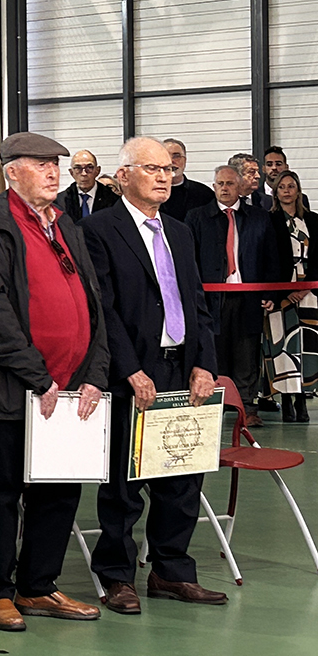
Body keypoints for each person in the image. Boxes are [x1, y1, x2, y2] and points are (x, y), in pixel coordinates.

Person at [0, 131, 108, 633]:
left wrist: (92, 376)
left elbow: (93, 307)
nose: (52, 172)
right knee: (2, 493)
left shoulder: (65, 224)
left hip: (69, 391)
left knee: (60, 492)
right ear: (12, 170)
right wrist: (38, 376)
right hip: (9, 389)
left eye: (55, 165)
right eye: (41, 164)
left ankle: (39, 586)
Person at [80, 137, 226, 613]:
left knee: (183, 476)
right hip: (134, 372)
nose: (164, 176)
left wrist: (205, 362)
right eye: (152, 168)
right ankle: (117, 576)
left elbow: (197, 304)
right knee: (125, 483)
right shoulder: (98, 229)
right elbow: (102, 310)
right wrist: (130, 370)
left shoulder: (180, 232)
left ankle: (170, 570)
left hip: (183, 368)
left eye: (168, 168)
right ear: (124, 175)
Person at [186, 166, 285, 427]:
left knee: (246, 353)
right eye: (220, 183)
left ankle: (248, 407)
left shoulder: (258, 218)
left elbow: (270, 258)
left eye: (230, 183)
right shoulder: (196, 218)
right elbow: (189, 262)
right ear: (214, 186)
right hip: (210, 299)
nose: (225, 188)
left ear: (240, 186)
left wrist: (271, 292)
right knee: (213, 352)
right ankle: (213, 404)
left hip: (248, 298)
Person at [267, 170, 316, 423]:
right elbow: (267, 259)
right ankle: (285, 399)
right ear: (275, 192)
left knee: (306, 346)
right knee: (284, 346)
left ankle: (302, 399)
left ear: (298, 190)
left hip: (309, 294)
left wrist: (305, 287)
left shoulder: (314, 221)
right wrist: (286, 291)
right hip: (281, 295)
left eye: (291, 186)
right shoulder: (269, 221)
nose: (287, 190)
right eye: (282, 187)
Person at [161, 138, 215, 222]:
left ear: (185, 160)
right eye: (166, 156)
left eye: (176, 156)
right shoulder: (147, 194)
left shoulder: (204, 194)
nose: (171, 161)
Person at [57, 149, 116, 221]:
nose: (84, 173)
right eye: (78, 168)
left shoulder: (113, 200)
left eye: (89, 167)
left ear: (97, 171)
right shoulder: (59, 202)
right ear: (71, 173)